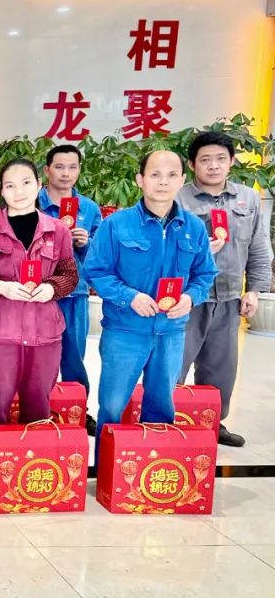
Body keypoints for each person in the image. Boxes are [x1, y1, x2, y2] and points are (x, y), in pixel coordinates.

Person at [86, 150, 218, 444]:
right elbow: (95, 270)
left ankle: (152, 466)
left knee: (161, 406)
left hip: (171, 332)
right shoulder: (116, 225)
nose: (163, 182)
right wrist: (129, 296)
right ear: (140, 180)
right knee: (112, 405)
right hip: (125, 331)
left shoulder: (193, 227)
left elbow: (205, 273)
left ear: (182, 180)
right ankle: (108, 466)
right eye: (155, 175)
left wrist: (190, 297)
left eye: (172, 175)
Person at [178, 131, 272, 446]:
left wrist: (254, 289)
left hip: (230, 297)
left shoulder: (248, 198)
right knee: (175, 363)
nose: (214, 166)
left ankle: (212, 423)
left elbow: (258, 246)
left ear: (231, 161)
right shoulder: (178, 200)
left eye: (221, 159)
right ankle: (168, 422)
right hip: (187, 298)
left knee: (221, 367)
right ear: (192, 164)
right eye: (205, 159)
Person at [0, 159, 79, 424]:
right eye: (10, 185)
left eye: (26, 182)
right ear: (1, 191)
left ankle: (34, 452)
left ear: (39, 185)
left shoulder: (58, 230)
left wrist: (52, 288)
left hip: (44, 334)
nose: (19, 191)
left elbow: (70, 275)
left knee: (38, 409)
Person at [37, 144, 103, 435]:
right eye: (59, 167)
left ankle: (78, 410)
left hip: (74, 293)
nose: (66, 173)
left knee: (74, 353)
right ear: (47, 170)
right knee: (39, 354)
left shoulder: (88, 209)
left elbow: (101, 256)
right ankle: (38, 410)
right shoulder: (32, 202)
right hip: (38, 292)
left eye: (72, 167)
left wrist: (85, 244)